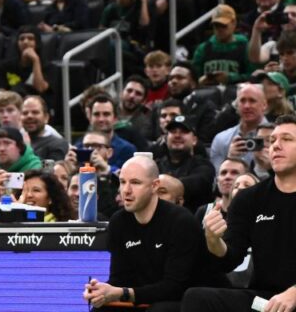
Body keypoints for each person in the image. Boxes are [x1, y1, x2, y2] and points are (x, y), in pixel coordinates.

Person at [183, 116, 296, 311]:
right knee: (197, 298)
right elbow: (229, 259)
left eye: (287, 139)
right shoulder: (249, 198)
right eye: (272, 140)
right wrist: (213, 240)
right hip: (265, 299)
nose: (276, 146)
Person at [84, 156, 220, 311]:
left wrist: (123, 293)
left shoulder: (181, 221)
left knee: (160, 309)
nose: (126, 190)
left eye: (135, 182)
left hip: (189, 301)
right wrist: (102, 292)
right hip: (147, 298)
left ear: (155, 186)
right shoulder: (118, 221)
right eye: (122, 182)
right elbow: (120, 278)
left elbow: (175, 287)